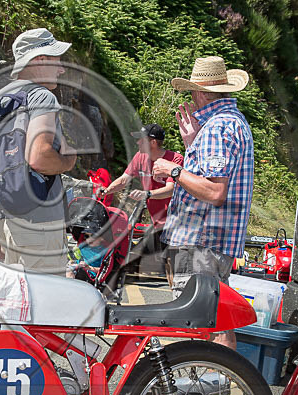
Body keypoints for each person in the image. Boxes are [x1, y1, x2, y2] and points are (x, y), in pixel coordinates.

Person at [153, 56, 254, 350]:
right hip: (214, 242)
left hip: (200, 242)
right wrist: (192, 146)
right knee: (216, 320)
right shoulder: (231, 123)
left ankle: (208, 388)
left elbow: (213, 191)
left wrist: (172, 169)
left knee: (198, 325)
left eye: (192, 92)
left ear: (201, 92)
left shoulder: (216, 129)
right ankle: (222, 388)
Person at [0, 28, 76, 274]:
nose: (61, 69)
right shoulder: (42, 97)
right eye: (57, 60)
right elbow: (38, 157)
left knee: (14, 304)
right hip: (39, 226)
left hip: (3, 226)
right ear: (40, 59)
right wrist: (68, 161)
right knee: (44, 304)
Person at [100, 122, 183, 282]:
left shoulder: (174, 159)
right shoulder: (140, 157)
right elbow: (124, 179)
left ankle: (179, 297)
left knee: (172, 264)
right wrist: (107, 190)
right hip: (157, 221)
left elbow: (171, 189)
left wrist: (147, 194)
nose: (137, 143)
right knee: (164, 265)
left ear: (152, 142)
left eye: (141, 139)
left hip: (176, 221)